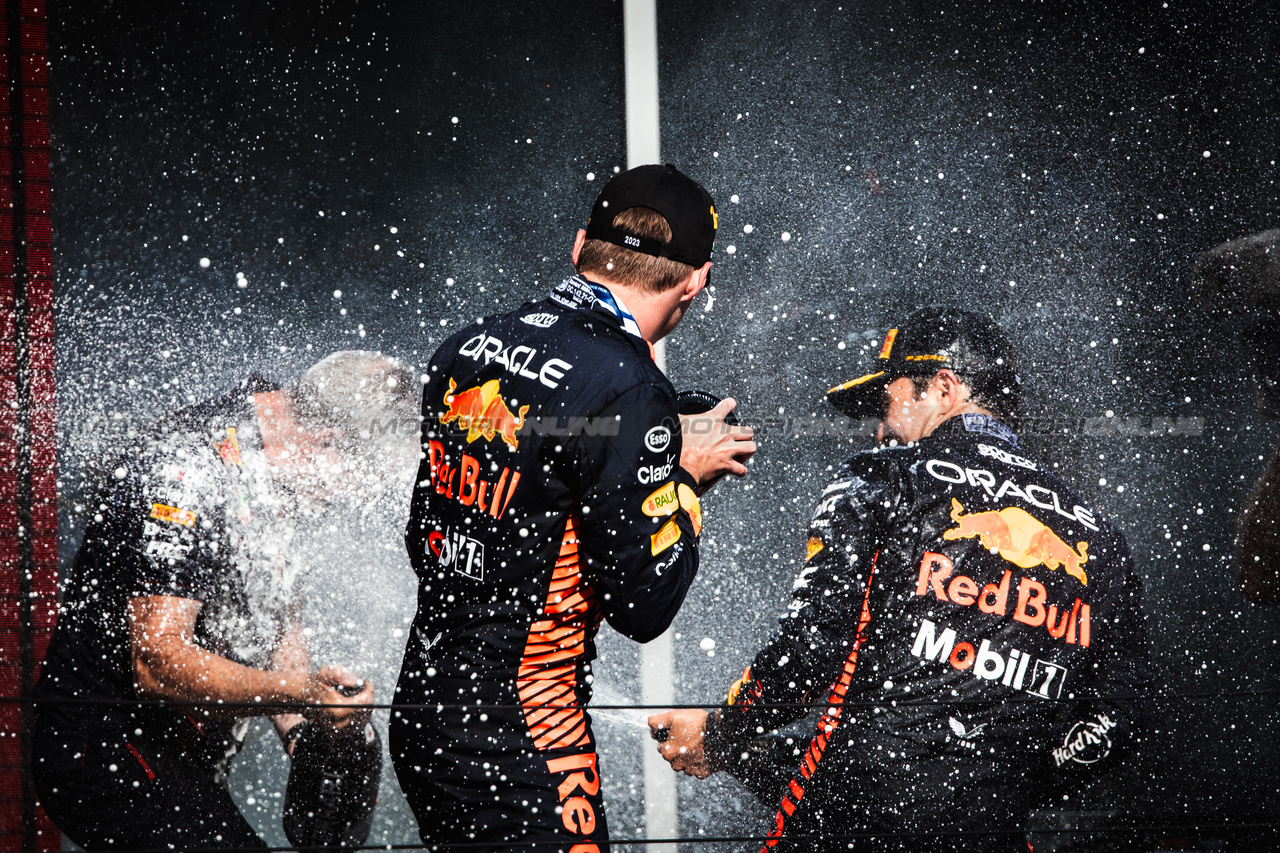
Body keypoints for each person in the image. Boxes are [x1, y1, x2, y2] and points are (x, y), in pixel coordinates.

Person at [650, 307, 1150, 852]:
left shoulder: (882, 478)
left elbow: (814, 645)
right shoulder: (1098, 535)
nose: (884, 427)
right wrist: (1010, 783)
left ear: (944, 387)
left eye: (889, 401)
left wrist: (723, 734)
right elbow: (1118, 718)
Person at [392, 163, 757, 852]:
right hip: (522, 738)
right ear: (695, 281)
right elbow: (643, 607)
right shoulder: (629, 388)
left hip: (422, 715)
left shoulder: (465, 347)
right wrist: (684, 475)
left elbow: (426, 540)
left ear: (581, 244)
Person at [32, 350, 420, 850]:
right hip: (104, 751)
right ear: (329, 441)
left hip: (186, 752)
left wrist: (309, 730)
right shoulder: (185, 469)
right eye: (354, 484)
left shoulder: (280, 464)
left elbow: (275, 615)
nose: (343, 501)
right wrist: (299, 692)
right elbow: (158, 663)